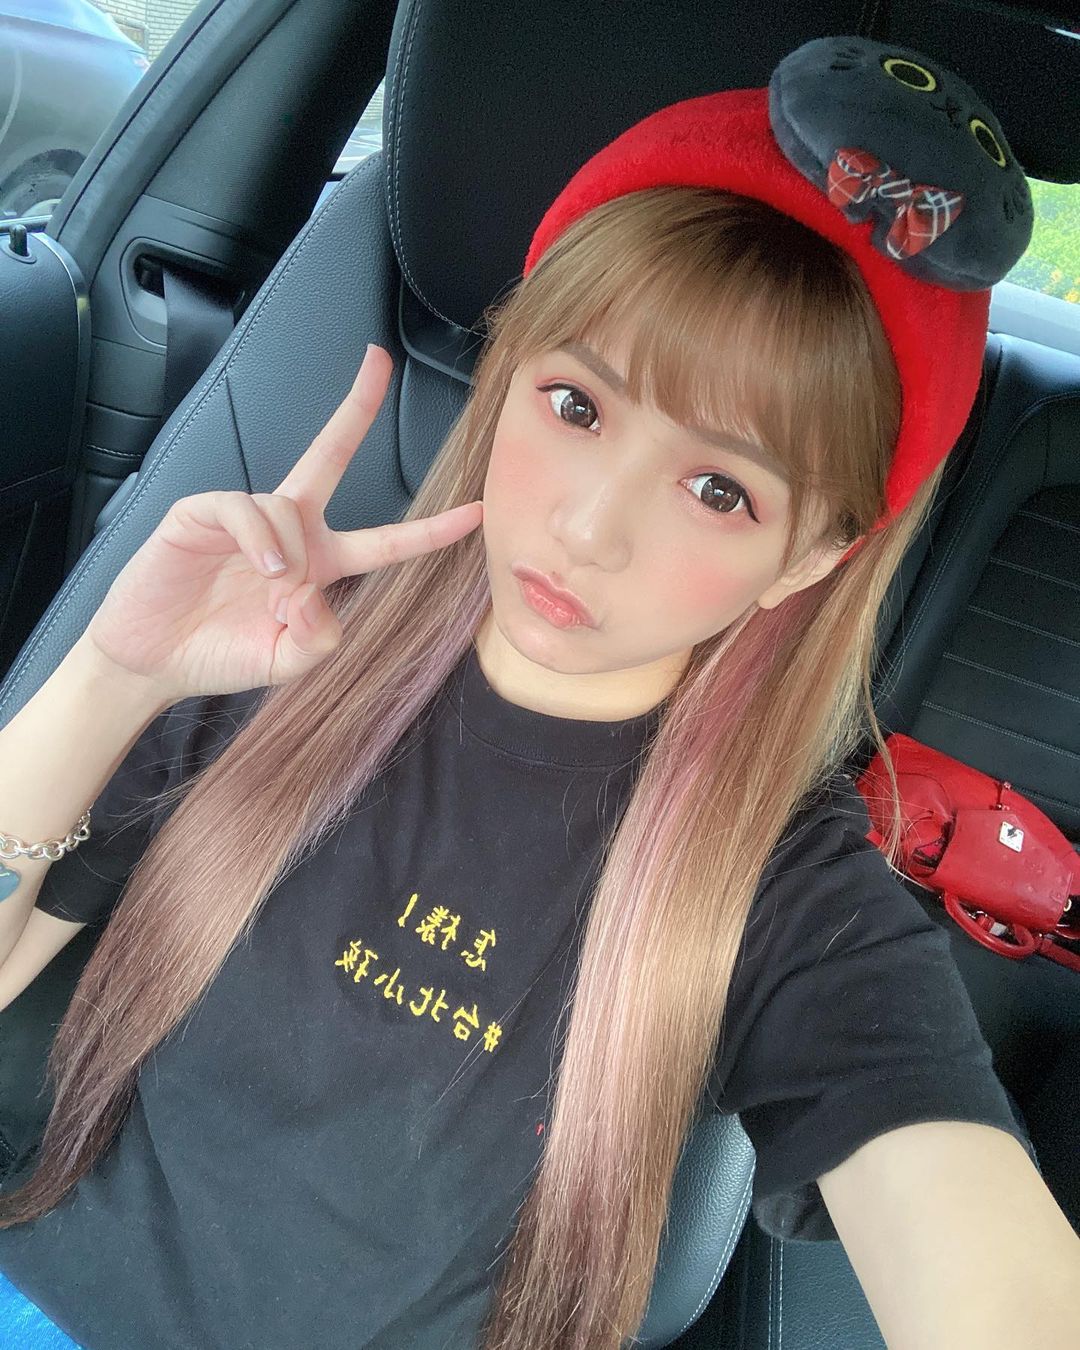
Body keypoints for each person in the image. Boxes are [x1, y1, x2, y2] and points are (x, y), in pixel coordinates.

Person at [0, 32, 1071, 1350]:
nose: (588, 527)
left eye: (719, 488)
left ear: (808, 557)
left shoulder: (771, 890)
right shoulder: (274, 652)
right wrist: (114, 676)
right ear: (506, 378)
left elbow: (985, 1266)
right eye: (575, 406)